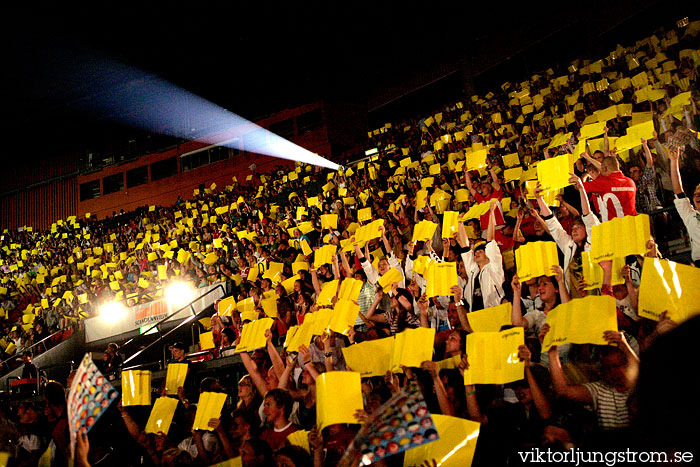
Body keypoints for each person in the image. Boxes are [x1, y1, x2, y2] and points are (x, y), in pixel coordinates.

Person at [668, 144, 700, 266]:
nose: (697, 196)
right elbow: (678, 191)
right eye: (695, 194)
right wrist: (674, 161)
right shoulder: (689, 216)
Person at [583, 156, 637, 221]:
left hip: (613, 227)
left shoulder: (603, 183)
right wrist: (587, 157)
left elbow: (580, 187)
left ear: (605, 168)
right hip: (632, 224)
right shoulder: (631, 182)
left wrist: (584, 177)